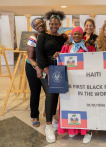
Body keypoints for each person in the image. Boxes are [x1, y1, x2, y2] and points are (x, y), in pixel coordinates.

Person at [54, 27, 96, 144]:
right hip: (70, 82)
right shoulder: (67, 47)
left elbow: (95, 63)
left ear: (82, 35)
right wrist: (58, 56)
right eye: (74, 34)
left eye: (78, 34)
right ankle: (72, 128)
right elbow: (61, 62)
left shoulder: (90, 47)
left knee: (86, 106)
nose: (76, 36)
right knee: (71, 105)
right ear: (71, 35)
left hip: (85, 83)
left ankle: (87, 131)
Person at [36, 10, 68, 143]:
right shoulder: (43, 36)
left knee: (57, 94)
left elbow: (66, 50)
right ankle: (49, 126)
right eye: (52, 24)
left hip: (59, 69)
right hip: (46, 68)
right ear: (49, 24)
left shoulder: (62, 38)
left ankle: (54, 118)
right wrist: (47, 71)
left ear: (60, 24)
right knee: (50, 94)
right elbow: (39, 54)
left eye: (56, 24)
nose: (54, 26)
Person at [26, 17, 46, 127]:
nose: (39, 25)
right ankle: (35, 115)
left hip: (45, 66)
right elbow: (30, 57)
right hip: (32, 66)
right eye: (35, 24)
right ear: (34, 27)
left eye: (40, 22)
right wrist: (38, 68)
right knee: (35, 91)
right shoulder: (33, 38)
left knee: (49, 91)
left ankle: (47, 111)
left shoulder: (48, 35)